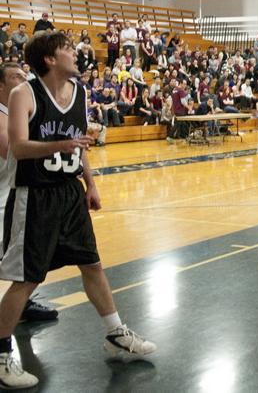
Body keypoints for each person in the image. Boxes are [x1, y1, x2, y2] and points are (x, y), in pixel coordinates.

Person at [0, 33, 155, 388]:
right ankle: (1, 355)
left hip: (70, 194)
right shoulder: (24, 93)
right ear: (49, 59)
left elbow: (80, 144)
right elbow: (19, 149)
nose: (74, 53)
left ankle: (115, 332)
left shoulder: (80, 92)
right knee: (27, 280)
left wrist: (91, 182)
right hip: (34, 195)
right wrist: (63, 144)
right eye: (67, 49)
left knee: (92, 263)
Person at [0, 63, 60, 323]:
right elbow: (13, 152)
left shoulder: (21, 113)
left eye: (25, 75)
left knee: (24, 259)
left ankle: (21, 303)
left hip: (10, 195)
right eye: (16, 76)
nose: (23, 80)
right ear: (1, 86)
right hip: (4, 200)